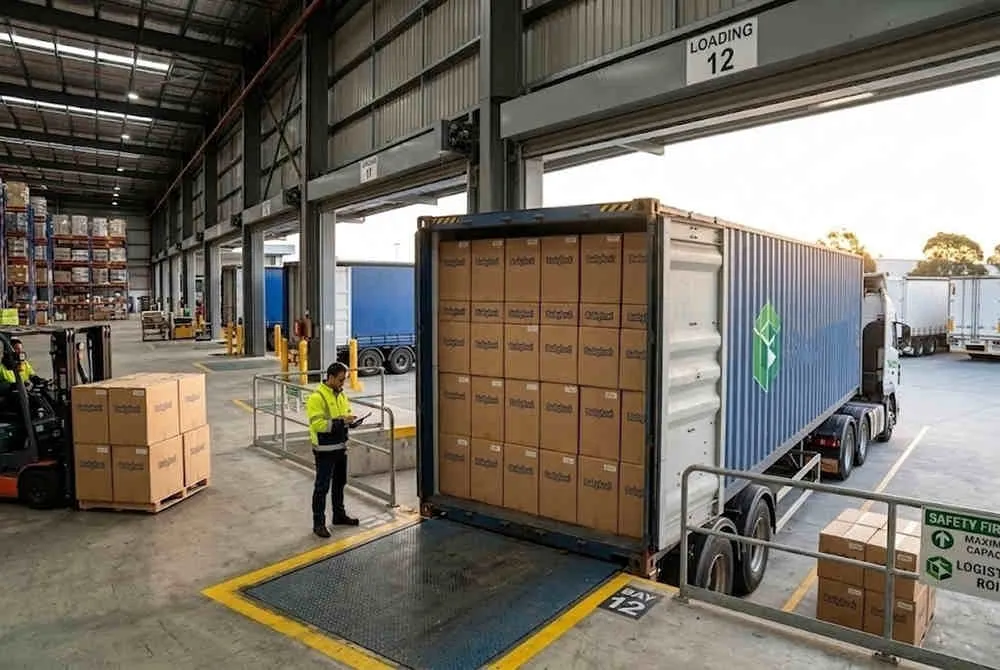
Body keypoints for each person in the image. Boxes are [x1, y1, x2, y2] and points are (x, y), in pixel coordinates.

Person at [306, 361, 360, 537]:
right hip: (324, 451)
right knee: (322, 487)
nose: (342, 384)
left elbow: (344, 414)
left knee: (339, 484)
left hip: (340, 448)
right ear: (329, 377)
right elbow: (318, 425)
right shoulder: (317, 397)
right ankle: (318, 523)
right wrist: (341, 422)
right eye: (340, 380)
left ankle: (339, 515)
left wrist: (350, 422)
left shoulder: (341, 395)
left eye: (344, 380)